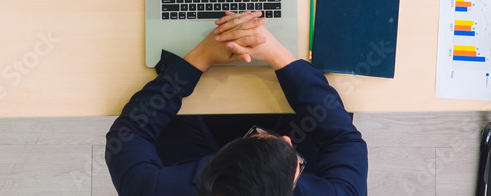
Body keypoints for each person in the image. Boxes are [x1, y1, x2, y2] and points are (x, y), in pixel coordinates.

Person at [105, 11, 368, 195]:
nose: (288, 140)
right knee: (324, 113)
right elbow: (343, 139)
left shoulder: (152, 190)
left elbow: (128, 134)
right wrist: (276, 53)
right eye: (295, 161)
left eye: (258, 138)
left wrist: (201, 57)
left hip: (189, 153)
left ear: (217, 161)